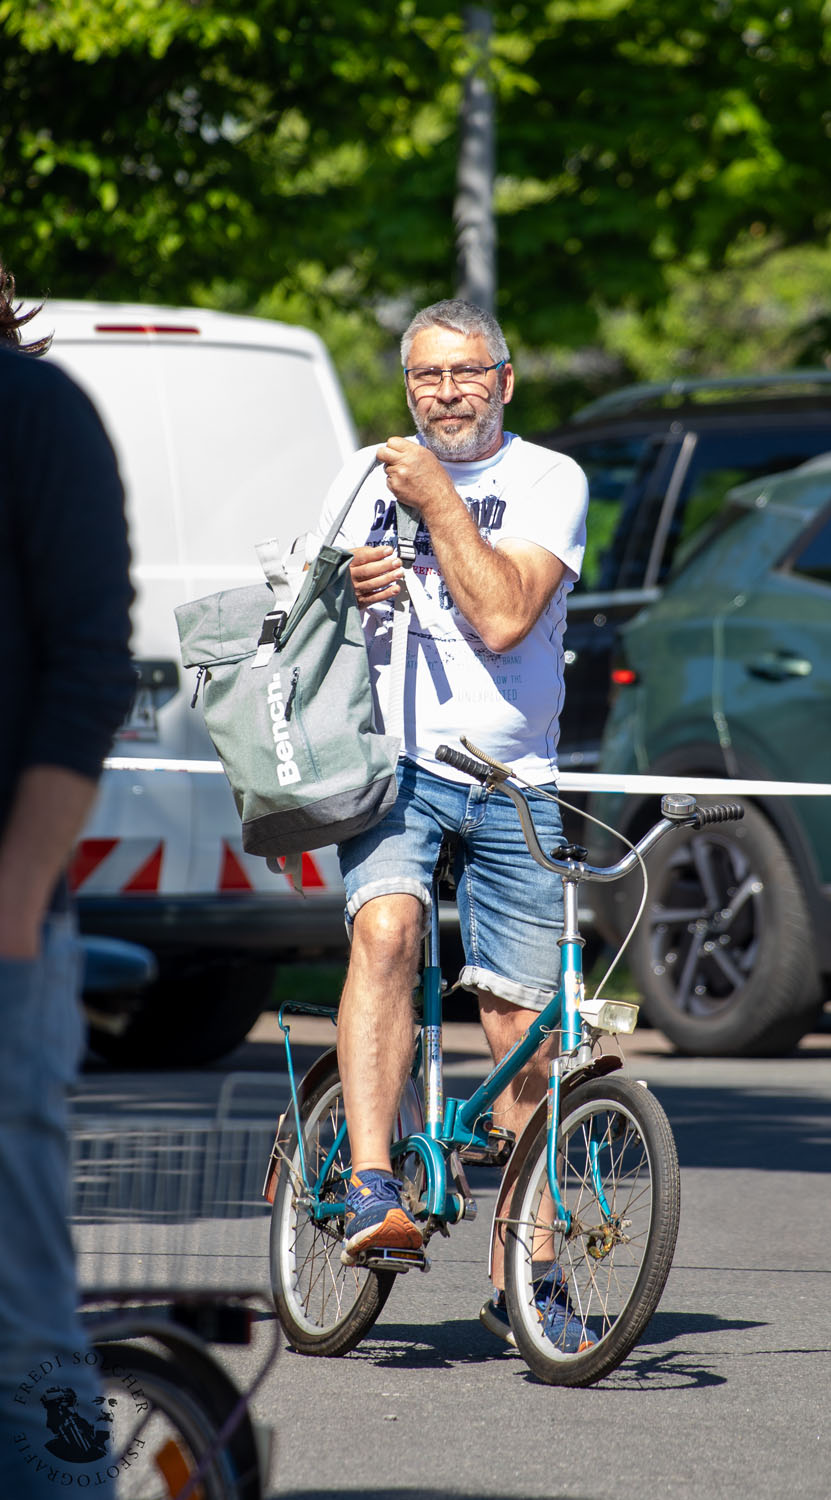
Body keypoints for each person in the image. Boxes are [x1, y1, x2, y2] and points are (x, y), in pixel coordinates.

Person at [315, 298, 590, 1349]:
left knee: (523, 1032)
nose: (446, 392)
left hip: (516, 776)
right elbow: (302, 617)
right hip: (392, 764)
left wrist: (435, 506)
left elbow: (506, 613)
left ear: (506, 380)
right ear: (407, 387)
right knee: (386, 931)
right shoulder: (359, 476)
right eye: (426, 377)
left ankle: (535, 1271)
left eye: (467, 372)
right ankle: (371, 1182)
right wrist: (349, 582)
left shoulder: (548, 479)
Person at [0, 265, 136, 1485]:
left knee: (14, 1337)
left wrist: (13, 909)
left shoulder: (34, 416)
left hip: (1, 942)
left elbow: (95, 673)